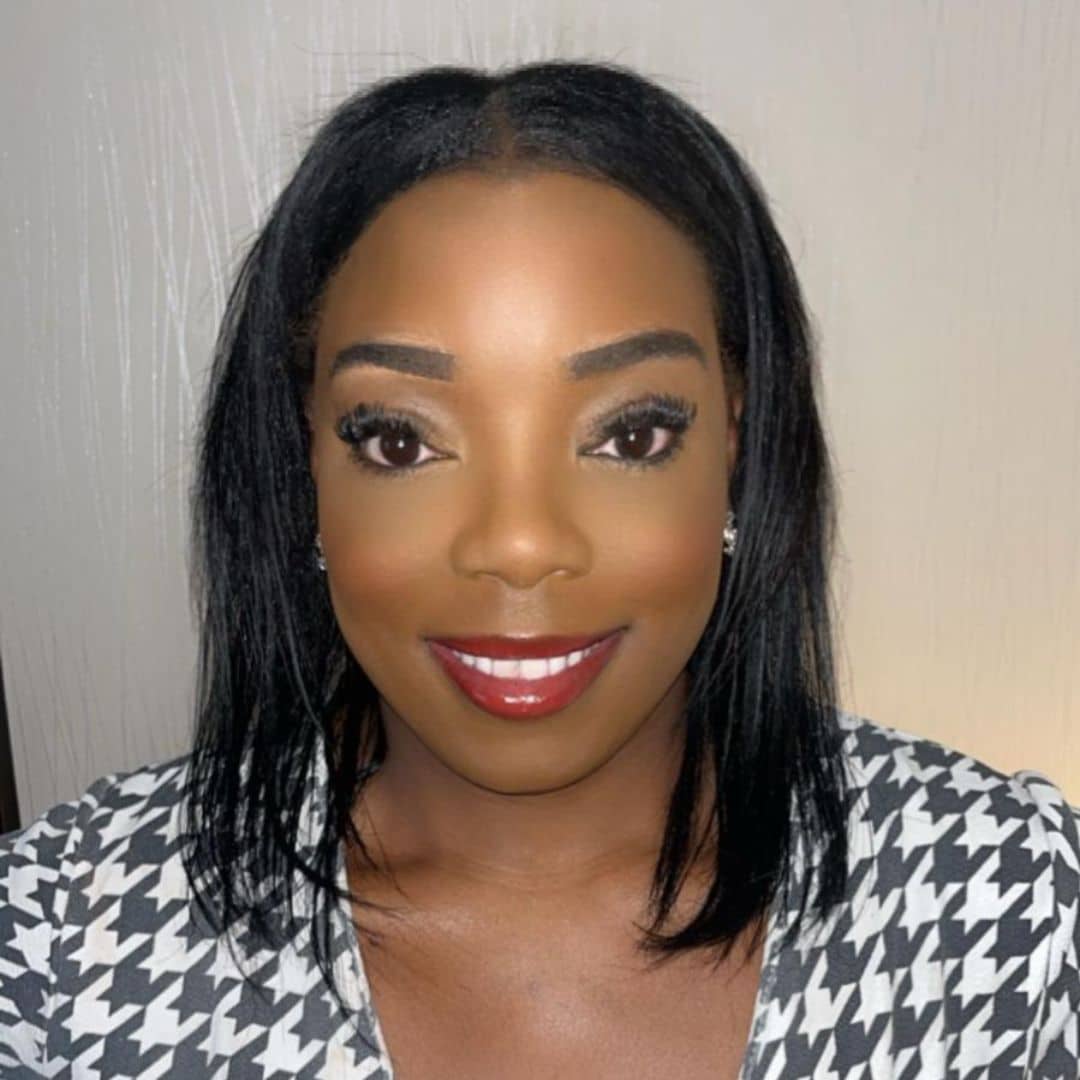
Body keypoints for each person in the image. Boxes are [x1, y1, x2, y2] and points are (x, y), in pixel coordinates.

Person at [1, 58, 1077, 1079]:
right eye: (398, 440)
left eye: (632, 434)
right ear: (303, 469)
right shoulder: (63, 946)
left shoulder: (1008, 910)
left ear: (739, 452)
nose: (518, 544)